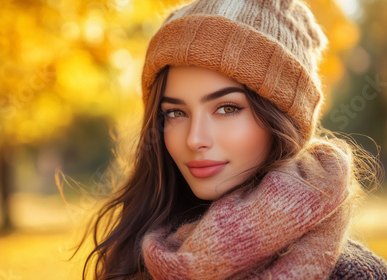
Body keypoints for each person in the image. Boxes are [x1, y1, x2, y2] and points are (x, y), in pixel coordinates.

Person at [76, 0, 387, 279]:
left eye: (227, 108)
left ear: (281, 119)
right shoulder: (133, 259)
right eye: (174, 113)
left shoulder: (355, 274)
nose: (195, 139)